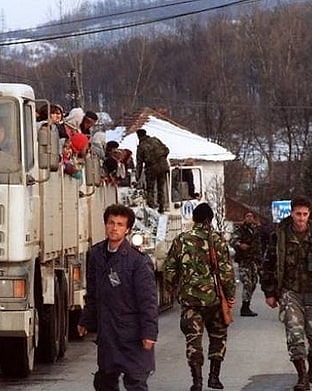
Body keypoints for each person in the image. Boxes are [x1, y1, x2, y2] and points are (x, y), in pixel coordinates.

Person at [78, 204, 158, 391]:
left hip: (133, 335)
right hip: (109, 334)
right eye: (111, 223)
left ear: (127, 229)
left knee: (136, 382)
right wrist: (85, 320)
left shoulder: (138, 261)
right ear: (105, 225)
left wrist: (149, 333)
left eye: (120, 224)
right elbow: (93, 293)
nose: (115, 228)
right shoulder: (96, 255)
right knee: (104, 381)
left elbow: (148, 301)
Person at [165, 203, 236, 391]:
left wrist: (172, 288)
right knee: (218, 336)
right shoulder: (218, 240)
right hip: (214, 300)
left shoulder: (181, 239)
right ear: (210, 219)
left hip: (190, 301)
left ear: (194, 219)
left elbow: (170, 269)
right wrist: (229, 297)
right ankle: (215, 377)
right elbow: (226, 272)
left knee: (193, 340)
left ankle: (197, 381)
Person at [261, 196, 312, 391]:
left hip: (311, 291)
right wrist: (269, 292)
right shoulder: (280, 235)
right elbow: (269, 264)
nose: (301, 218)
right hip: (290, 292)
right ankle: (302, 377)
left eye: (305, 214)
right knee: (294, 334)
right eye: (298, 214)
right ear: (291, 213)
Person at [230, 210, 263, 317]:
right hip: (244, 260)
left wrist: (260, 259)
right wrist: (240, 245)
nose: (249, 218)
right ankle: (244, 307)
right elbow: (232, 241)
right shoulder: (240, 230)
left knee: (253, 283)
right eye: (247, 216)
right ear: (244, 218)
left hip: (254, 260)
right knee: (247, 283)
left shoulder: (255, 230)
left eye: (251, 216)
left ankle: (247, 305)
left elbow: (259, 245)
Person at [135, 128, 170, 213]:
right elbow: (167, 150)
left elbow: (139, 163)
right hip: (163, 166)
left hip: (151, 168)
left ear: (139, 136)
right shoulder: (156, 140)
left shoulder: (141, 146)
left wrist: (137, 177)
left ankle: (151, 208)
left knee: (150, 189)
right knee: (161, 188)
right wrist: (161, 158)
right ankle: (161, 207)